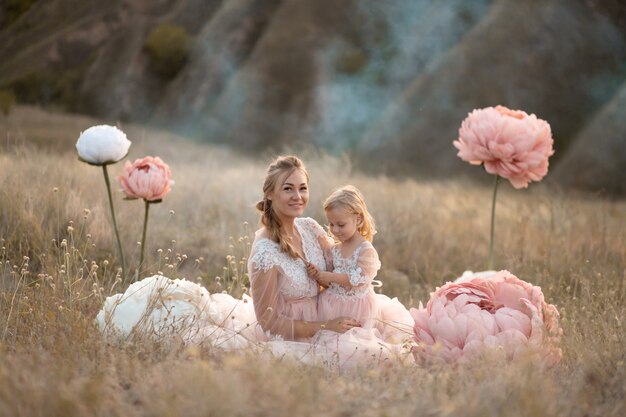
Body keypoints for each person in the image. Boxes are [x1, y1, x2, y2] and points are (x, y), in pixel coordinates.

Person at [248, 155, 361, 341]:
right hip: (294, 337)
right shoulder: (265, 252)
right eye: (288, 189)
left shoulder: (310, 228)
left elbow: (340, 272)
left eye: (303, 188)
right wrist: (327, 327)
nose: (297, 197)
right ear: (269, 193)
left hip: (331, 316)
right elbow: (268, 322)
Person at [307, 185, 414, 342]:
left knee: (353, 341)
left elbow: (358, 279)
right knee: (327, 340)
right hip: (331, 303)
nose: (335, 230)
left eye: (341, 224)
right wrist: (317, 275)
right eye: (331, 224)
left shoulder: (365, 250)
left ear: (357, 219)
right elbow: (329, 282)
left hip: (356, 306)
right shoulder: (335, 249)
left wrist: (330, 275)